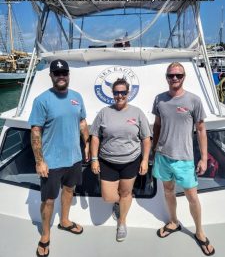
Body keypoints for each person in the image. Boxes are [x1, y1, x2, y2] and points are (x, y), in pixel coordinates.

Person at [152, 62, 215, 256]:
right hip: (162, 156)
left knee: (192, 197)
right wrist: (154, 149)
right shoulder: (159, 100)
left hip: (185, 158)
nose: (175, 79)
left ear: (184, 77)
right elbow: (157, 125)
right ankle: (173, 222)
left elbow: (202, 130)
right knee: (168, 191)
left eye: (178, 75)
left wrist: (203, 158)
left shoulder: (194, 100)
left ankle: (199, 231)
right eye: (171, 75)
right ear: (166, 77)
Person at [29, 59, 89, 257]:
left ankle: (64, 221)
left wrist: (87, 144)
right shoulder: (42, 100)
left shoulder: (77, 97)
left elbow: (82, 122)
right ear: (51, 76)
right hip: (52, 162)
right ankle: (45, 236)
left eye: (64, 72)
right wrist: (40, 161)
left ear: (69, 74)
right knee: (48, 200)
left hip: (74, 158)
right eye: (57, 73)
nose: (61, 76)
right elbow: (36, 131)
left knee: (69, 190)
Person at [90, 78, 151, 242]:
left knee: (125, 192)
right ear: (113, 94)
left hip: (131, 161)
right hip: (107, 161)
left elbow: (146, 138)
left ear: (128, 93)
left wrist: (145, 160)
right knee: (108, 197)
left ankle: (122, 221)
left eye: (123, 92)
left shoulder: (137, 113)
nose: (119, 95)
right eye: (116, 92)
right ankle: (124, 201)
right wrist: (94, 159)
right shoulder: (104, 112)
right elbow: (95, 136)